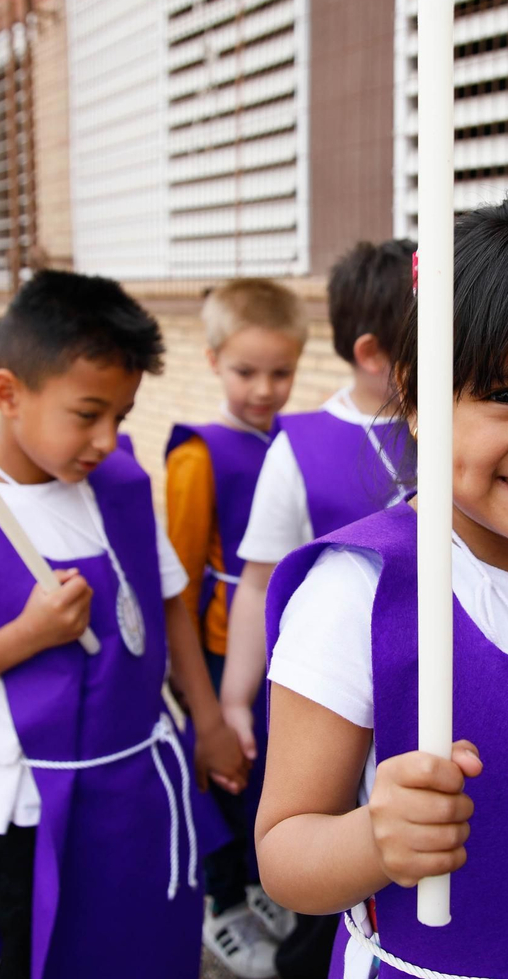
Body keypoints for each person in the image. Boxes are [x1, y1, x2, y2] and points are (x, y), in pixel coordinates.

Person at [255, 200, 508, 979]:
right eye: (504, 395)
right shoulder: (359, 593)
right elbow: (284, 852)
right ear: (413, 392)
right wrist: (374, 837)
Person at [0, 270, 250, 979]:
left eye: (123, 414)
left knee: (150, 948)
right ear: (9, 395)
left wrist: (206, 719)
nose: (108, 439)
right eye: (87, 414)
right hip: (34, 813)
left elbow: (168, 600)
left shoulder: (121, 485)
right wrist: (26, 636)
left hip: (143, 782)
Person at [217, 238, 415, 978]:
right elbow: (259, 582)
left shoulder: (466, 425)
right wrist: (237, 697)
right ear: (373, 353)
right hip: (330, 707)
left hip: (433, 695)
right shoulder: (298, 447)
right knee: (326, 868)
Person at [165, 278, 308, 978]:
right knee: (222, 775)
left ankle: (259, 884)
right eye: (246, 371)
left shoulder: (291, 440)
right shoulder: (197, 455)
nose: (264, 388)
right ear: (213, 359)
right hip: (220, 650)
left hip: (277, 644)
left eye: (280, 372)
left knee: (264, 777)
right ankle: (221, 905)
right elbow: (179, 578)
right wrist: (192, 686)